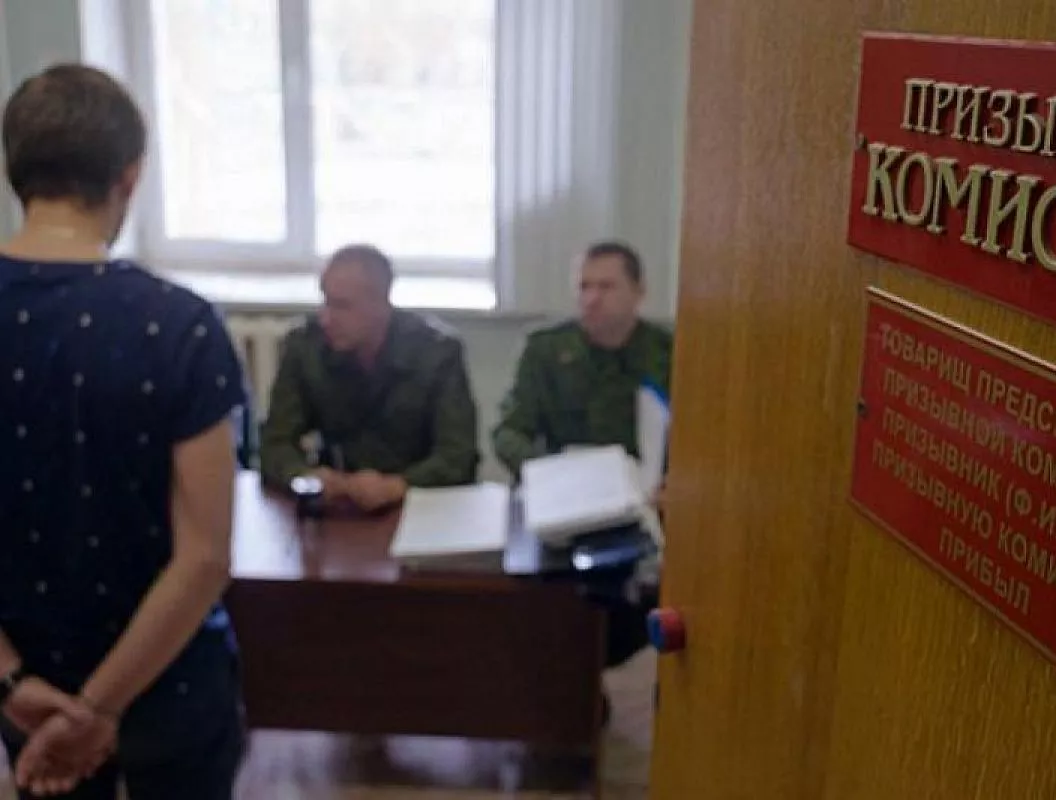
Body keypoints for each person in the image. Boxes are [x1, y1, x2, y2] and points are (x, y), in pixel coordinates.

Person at [0, 65, 246, 798]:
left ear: (14, 171)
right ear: (129, 178)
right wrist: (99, 709)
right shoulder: (180, 327)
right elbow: (205, 557)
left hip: (25, 692)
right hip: (169, 688)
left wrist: (12, 682)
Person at [492, 240, 673, 668]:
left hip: (645, 508)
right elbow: (509, 431)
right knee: (542, 611)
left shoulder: (669, 352)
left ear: (639, 292)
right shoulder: (545, 350)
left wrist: (676, 485)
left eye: (606, 286)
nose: (591, 298)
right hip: (564, 508)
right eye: (583, 286)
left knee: (643, 605)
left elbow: (702, 439)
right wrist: (545, 474)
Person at [259, 245, 479, 510]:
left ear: (381, 305)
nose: (327, 319)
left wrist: (398, 485)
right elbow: (274, 443)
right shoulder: (305, 346)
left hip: (418, 505)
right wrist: (305, 477)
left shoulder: (437, 353)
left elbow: (458, 456)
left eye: (342, 306)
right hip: (335, 504)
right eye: (326, 301)